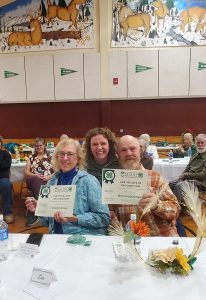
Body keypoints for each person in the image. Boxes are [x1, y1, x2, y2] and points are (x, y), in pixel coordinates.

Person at [25, 138, 110, 235]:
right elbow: (47, 223)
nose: (65, 158)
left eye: (70, 154)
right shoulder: (51, 183)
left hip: (83, 238)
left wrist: (75, 219)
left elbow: (104, 218)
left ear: (78, 158)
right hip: (57, 238)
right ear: (57, 157)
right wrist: (39, 210)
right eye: (62, 154)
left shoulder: (89, 181)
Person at [111, 135, 180, 236]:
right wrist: (109, 217)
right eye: (124, 150)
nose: (129, 153)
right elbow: (111, 218)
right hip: (130, 239)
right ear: (117, 155)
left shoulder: (155, 178)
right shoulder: (112, 182)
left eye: (132, 149)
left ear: (140, 151)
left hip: (160, 237)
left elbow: (176, 210)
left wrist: (157, 205)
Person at [169, 133, 206, 205]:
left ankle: (179, 208)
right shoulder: (194, 156)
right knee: (171, 184)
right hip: (189, 180)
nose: (200, 145)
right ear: (195, 144)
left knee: (179, 186)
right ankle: (174, 205)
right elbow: (187, 168)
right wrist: (182, 176)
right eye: (198, 143)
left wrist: (186, 175)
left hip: (201, 183)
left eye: (202, 143)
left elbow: (203, 175)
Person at [24, 137, 53, 226]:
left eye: (40, 145)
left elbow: (57, 172)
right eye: (37, 146)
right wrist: (35, 175)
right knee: (37, 180)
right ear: (34, 147)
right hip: (33, 180)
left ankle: (36, 213)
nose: (39, 147)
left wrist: (48, 177)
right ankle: (41, 209)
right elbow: (26, 172)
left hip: (47, 181)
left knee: (42, 183)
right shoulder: (31, 158)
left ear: (44, 146)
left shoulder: (50, 157)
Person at [0, 136, 14, 223]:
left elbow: (6, 165)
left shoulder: (6, 154)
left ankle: (7, 213)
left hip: (2, 178)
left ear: (1, 144)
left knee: (6, 184)